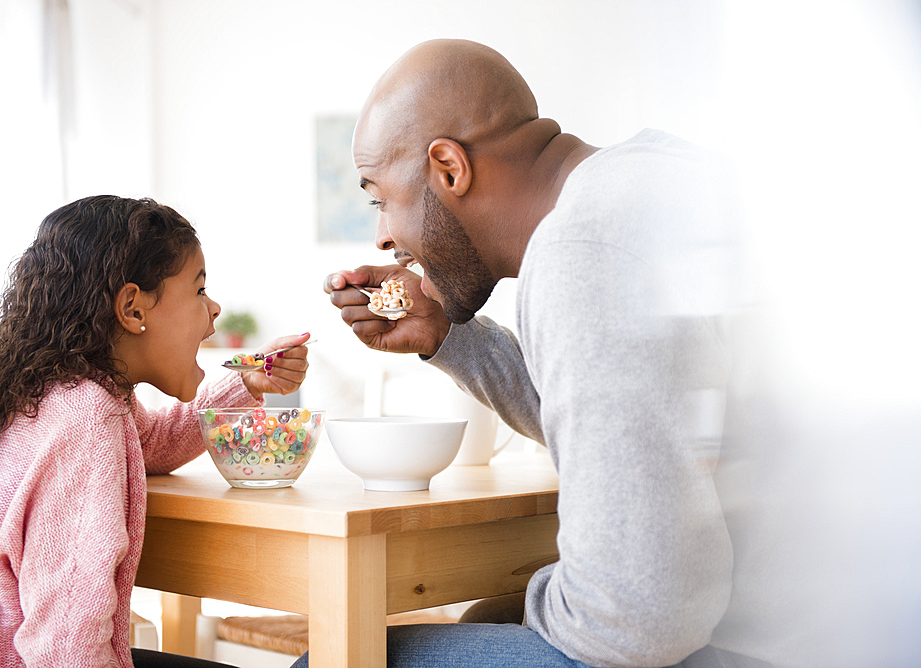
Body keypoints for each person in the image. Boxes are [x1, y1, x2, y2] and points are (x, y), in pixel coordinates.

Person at [314, 39, 762, 668]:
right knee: (484, 616)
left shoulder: (582, 248)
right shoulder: (649, 177)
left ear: (449, 168)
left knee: (335, 659)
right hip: (808, 615)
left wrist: (531, 603)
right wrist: (449, 336)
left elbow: (633, 620)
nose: (383, 235)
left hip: (755, 644)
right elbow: (626, 416)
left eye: (379, 197)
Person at [0, 195, 311, 667]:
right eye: (198, 290)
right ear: (133, 308)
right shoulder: (87, 421)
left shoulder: (57, 393)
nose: (214, 309)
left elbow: (151, 446)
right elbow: (67, 649)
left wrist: (244, 384)